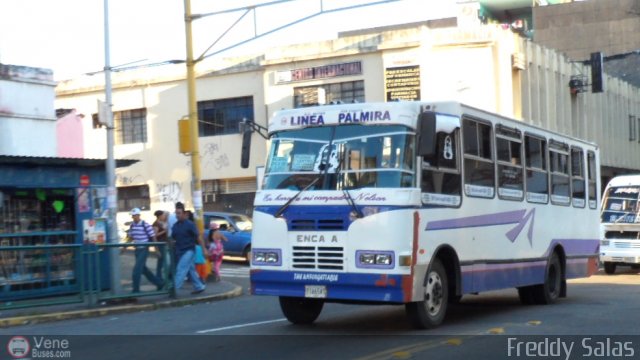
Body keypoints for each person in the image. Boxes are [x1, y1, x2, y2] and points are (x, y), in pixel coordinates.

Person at [170, 204, 206, 294]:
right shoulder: (175, 226)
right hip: (180, 251)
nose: (177, 215)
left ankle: (174, 289)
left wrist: (204, 249)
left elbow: (198, 237)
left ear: (183, 213)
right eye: (176, 213)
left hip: (189, 250)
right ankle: (199, 286)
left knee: (181, 268)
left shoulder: (190, 224)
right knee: (190, 270)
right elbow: (173, 238)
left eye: (179, 213)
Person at [129, 208, 164, 292]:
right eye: (133, 216)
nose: (134, 217)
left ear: (138, 215)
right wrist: (124, 247)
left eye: (135, 215)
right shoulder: (132, 225)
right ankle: (159, 283)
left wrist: (156, 250)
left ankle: (135, 290)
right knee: (143, 269)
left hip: (144, 249)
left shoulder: (145, 225)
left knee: (136, 270)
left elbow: (153, 237)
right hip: (137, 249)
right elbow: (130, 237)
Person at [152, 210, 170, 281]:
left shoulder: (162, 223)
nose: (164, 217)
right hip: (160, 244)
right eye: (163, 215)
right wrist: (164, 231)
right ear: (159, 216)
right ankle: (159, 277)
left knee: (164, 261)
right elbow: (155, 235)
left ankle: (162, 277)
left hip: (165, 243)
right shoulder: (156, 224)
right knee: (162, 262)